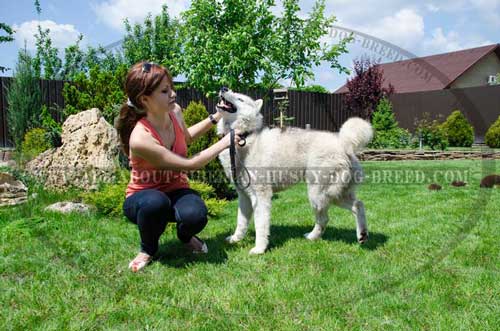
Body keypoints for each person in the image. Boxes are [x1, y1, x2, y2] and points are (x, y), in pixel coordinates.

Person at [115, 61, 241, 272]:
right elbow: (189, 165)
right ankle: (148, 249)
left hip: (176, 190)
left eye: (171, 87)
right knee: (156, 203)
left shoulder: (175, 112)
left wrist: (217, 116)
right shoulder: (140, 138)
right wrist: (226, 141)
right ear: (145, 99)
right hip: (143, 197)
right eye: (164, 91)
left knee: (195, 215)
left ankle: (185, 237)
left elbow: (187, 137)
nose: (172, 93)